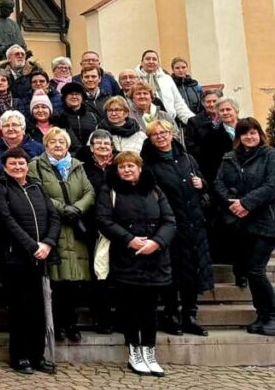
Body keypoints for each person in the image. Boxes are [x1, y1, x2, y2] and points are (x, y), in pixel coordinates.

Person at [96, 150, 177, 377]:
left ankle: (149, 351)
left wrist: (157, 242)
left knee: (150, 310)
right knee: (129, 308)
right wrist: (129, 240)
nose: (127, 170)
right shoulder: (109, 190)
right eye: (122, 167)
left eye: (131, 166)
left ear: (140, 168)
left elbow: (169, 220)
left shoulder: (154, 189)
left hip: (154, 258)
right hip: (126, 258)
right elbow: (104, 220)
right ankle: (134, 351)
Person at [0, 146, 60, 375]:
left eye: (21, 163)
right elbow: (6, 219)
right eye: (13, 164)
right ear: (5, 166)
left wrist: (48, 243)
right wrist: (32, 246)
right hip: (16, 257)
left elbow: (54, 215)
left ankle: (37, 355)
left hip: (42, 257)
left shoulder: (36, 185)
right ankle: (19, 356)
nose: (18, 167)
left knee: (39, 310)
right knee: (20, 309)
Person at [140, 119, 212, 336]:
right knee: (173, 274)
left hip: (193, 224)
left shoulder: (187, 159)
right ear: (150, 139)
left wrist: (203, 185)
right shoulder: (149, 165)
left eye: (164, 133)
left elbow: (202, 186)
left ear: (172, 134)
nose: (160, 137)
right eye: (155, 134)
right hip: (168, 227)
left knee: (193, 272)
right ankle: (171, 315)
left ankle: (190, 315)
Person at [30, 128, 94, 343]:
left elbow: (89, 192)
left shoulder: (77, 166)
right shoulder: (36, 165)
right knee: (56, 282)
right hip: (55, 227)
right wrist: (63, 209)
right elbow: (39, 191)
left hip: (75, 228)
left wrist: (77, 209)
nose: (57, 145)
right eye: (53, 142)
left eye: (61, 142)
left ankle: (71, 323)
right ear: (46, 144)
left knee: (74, 281)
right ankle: (56, 324)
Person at [215, 118, 275, 336]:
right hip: (240, 223)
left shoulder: (269, 155)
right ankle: (262, 314)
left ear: (259, 134)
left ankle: (272, 314)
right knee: (250, 271)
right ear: (238, 137)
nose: (250, 137)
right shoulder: (229, 158)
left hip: (265, 222)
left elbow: (271, 185)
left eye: (253, 133)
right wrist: (234, 203)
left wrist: (247, 203)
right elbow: (218, 183)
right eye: (245, 134)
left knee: (256, 270)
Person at [77, 130, 116, 332]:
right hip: (92, 226)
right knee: (98, 274)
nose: (102, 147)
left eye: (106, 144)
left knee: (117, 274)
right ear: (91, 147)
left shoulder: (119, 166)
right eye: (98, 143)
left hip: (117, 226)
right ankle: (100, 318)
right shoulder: (82, 169)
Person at [137, 50, 193, 126]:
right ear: (142, 61)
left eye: (154, 59)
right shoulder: (135, 79)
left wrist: (192, 120)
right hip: (144, 123)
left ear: (158, 62)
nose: (151, 61)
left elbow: (178, 103)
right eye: (148, 59)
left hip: (169, 122)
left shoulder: (167, 79)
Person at [0, 110, 44, 175]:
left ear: (23, 128)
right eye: (6, 126)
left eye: (14, 125)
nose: (10, 128)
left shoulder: (38, 148)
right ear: (1, 129)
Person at [198, 97, 240, 187]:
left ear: (236, 111)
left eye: (228, 109)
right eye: (222, 110)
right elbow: (209, 165)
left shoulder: (248, 127)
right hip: (228, 183)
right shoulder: (210, 135)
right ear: (217, 114)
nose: (225, 113)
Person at [52, 82, 100, 150]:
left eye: (77, 94)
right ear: (65, 98)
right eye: (71, 94)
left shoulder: (93, 117)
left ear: (82, 97)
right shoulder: (59, 117)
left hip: (90, 154)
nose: (74, 97)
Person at [184, 89, 221, 160]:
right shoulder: (194, 121)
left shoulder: (226, 118)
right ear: (203, 103)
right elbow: (190, 145)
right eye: (208, 102)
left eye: (214, 101)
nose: (212, 104)